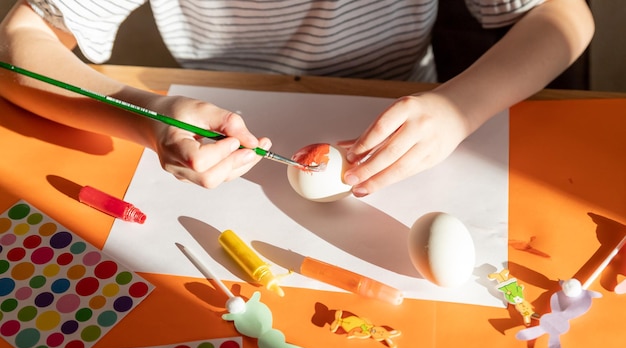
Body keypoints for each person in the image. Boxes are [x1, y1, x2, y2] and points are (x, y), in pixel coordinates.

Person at [0, 0, 594, 197]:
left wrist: (461, 106)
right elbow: (17, 46)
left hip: (400, 111)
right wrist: (146, 113)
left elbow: (565, 16)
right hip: (222, 109)